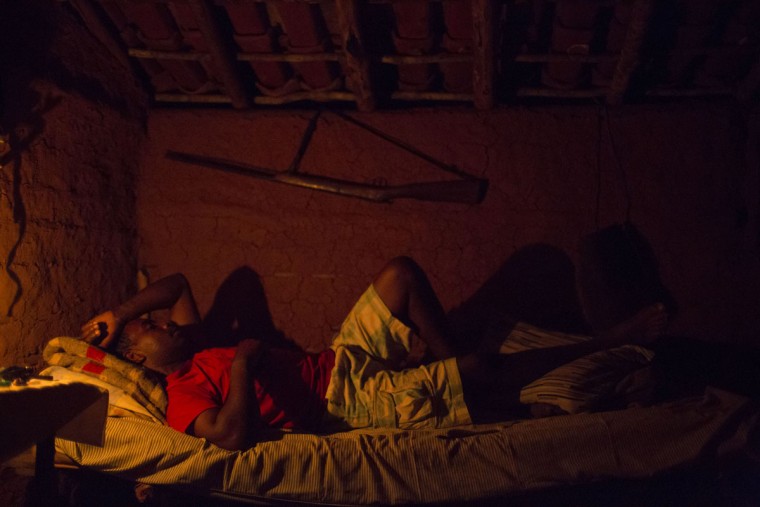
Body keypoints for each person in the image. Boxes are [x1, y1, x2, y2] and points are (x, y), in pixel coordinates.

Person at [81, 257, 667, 451]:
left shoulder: (193, 342)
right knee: (483, 370)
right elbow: (230, 437)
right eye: (150, 328)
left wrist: (121, 316)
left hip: (340, 357)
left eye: (153, 319)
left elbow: (178, 282)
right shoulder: (184, 390)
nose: (162, 320)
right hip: (343, 400)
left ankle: (447, 363)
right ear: (143, 360)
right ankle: (614, 345)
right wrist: (241, 367)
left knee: (400, 274)